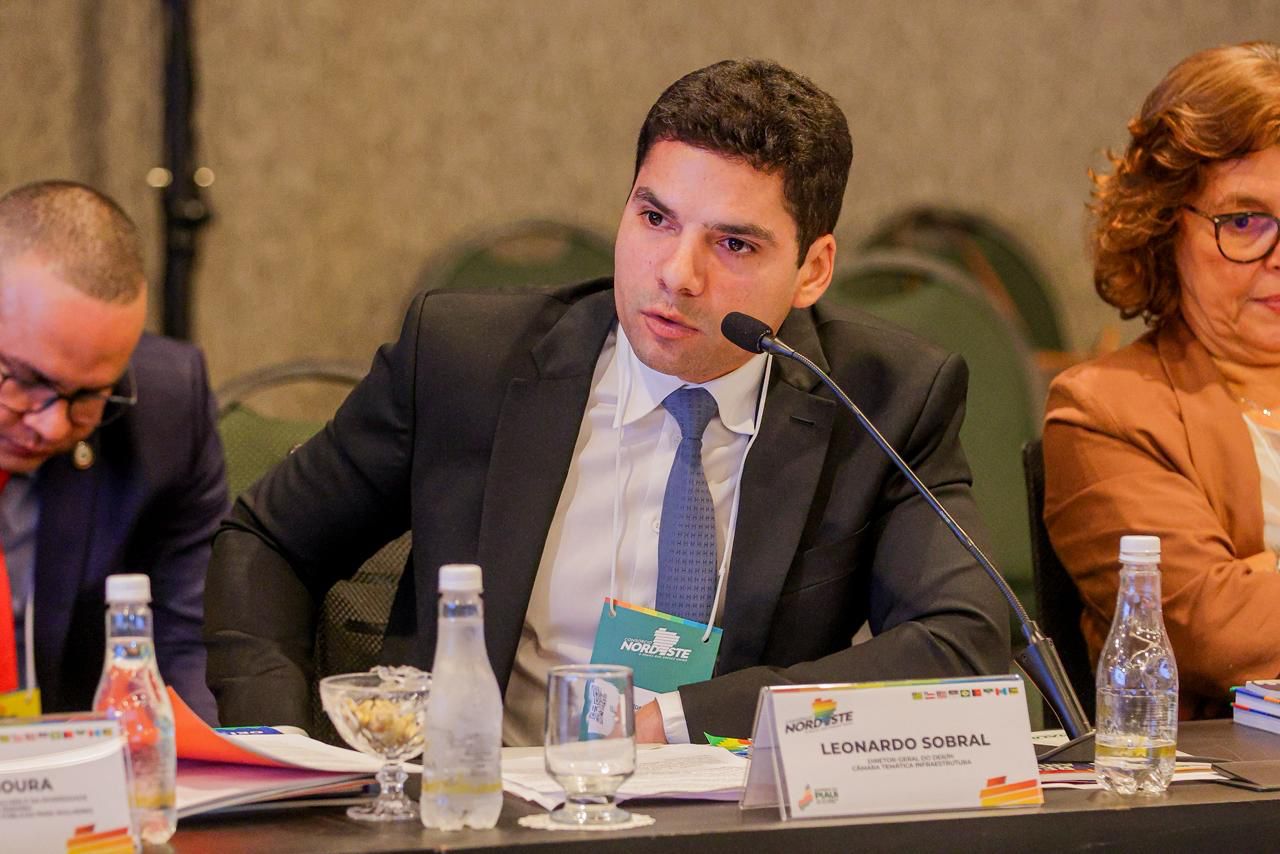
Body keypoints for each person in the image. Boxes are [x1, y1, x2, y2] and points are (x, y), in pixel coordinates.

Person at [205, 59, 1009, 743]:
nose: (677, 274)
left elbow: (963, 641)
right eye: (655, 218)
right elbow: (268, 541)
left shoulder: (881, 400)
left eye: (733, 243)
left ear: (813, 269)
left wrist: (681, 719)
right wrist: (280, 756)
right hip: (482, 816)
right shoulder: (467, 362)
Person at [1044, 42, 1280, 719]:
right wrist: (1237, 593)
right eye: (1244, 221)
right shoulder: (1103, 411)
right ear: (1163, 226)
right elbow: (1216, 634)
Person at [0, 181, 226, 722]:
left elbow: (187, 647)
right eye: (25, 379)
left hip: (74, 760)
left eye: (88, 395)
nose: (52, 425)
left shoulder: (165, 409)